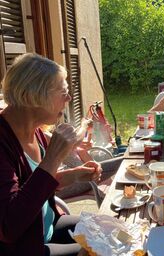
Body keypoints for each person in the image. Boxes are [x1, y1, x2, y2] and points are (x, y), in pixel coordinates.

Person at [0, 53, 102, 256]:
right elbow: (9, 226)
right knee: (98, 252)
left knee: (109, 231)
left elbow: (31, 186)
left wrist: (72, 175)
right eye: (63, 92)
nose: (69, 98)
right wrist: (53, 157)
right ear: (32, 96)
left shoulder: (34, 129)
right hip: (22, 246)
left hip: (47, 226)